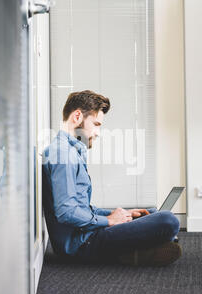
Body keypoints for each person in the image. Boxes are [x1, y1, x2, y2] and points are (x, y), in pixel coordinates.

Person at [42, 90, 182, 266]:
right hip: (81, 244)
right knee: (168, 220)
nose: (98, 132)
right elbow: (66, 212)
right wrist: (108, 221)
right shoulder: (62, 154)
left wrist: (118, 214)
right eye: (96, 124)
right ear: (77, 116)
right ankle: (130, 252)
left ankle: (135, 251)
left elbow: (80, 206)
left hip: (85, 234)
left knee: (152, 212)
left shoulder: (70, 152)